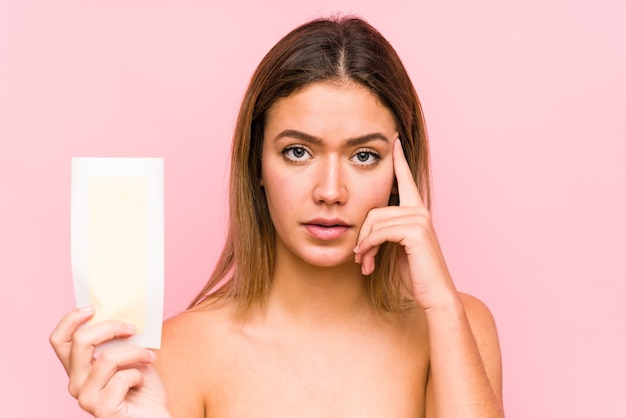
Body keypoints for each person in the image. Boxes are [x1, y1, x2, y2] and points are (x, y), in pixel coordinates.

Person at [50, 15, 504, 417]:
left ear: (397, 173)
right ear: (258, 164)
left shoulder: (454, 326)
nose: (330, 191)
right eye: (298, 152)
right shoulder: (179, 355)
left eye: (364, 156)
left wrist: (442, 305)